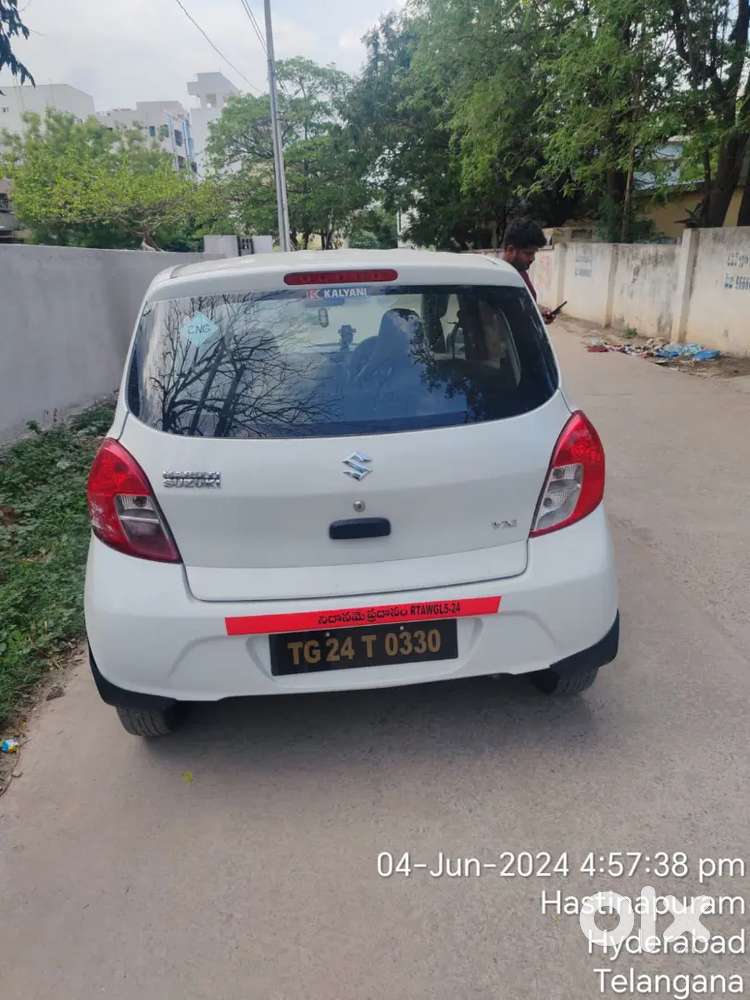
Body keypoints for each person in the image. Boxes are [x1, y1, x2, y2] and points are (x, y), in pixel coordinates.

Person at [501, 218, 556, 324]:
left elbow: (522, 307)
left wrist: (538, 312)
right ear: (511, 250)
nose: (532, 259)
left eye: (534, 253)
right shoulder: (496, 280)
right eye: (528, 253)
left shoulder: (521, 274)